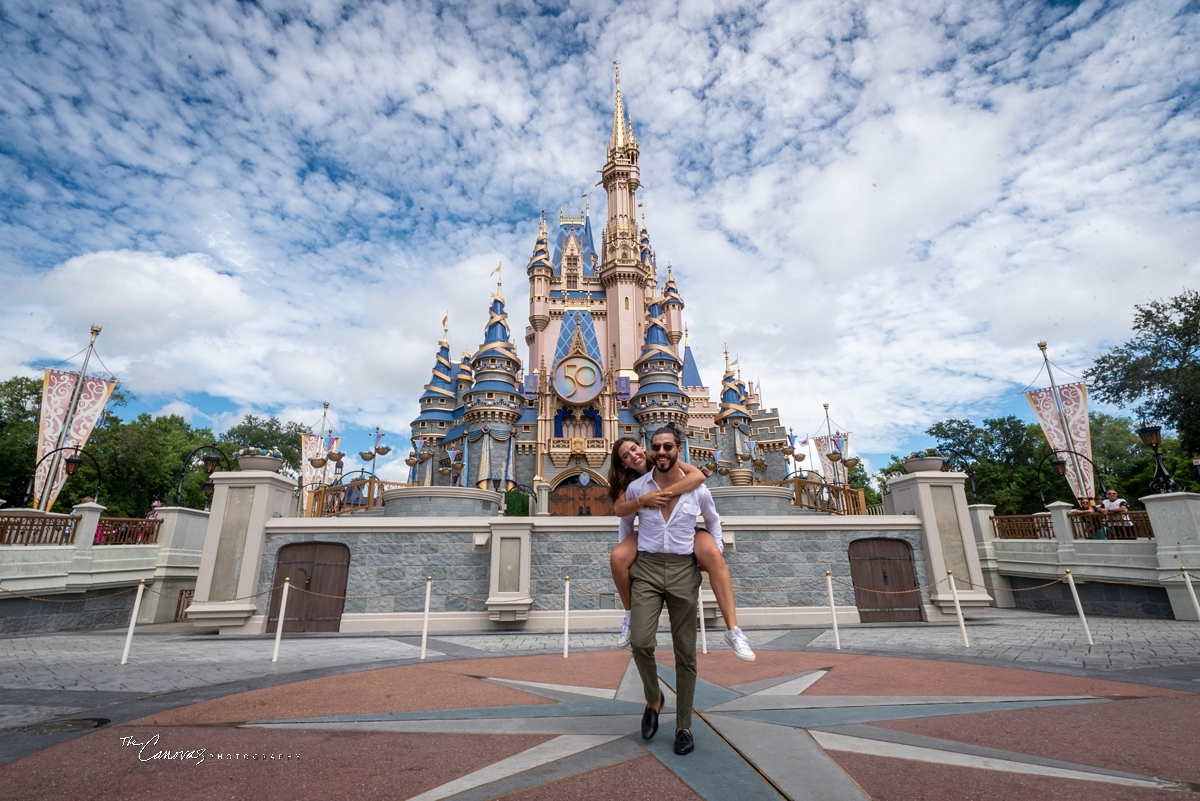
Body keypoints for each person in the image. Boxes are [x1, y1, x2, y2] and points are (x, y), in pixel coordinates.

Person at [623, 424, 725, 755]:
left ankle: (684, 726)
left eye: (668, 446)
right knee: (639, 641)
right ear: (650, 450)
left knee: (685, 653)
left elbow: (713, 520)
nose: (662, 452)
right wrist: (629, 556)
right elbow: (625, 526)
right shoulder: (638, 488)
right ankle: (654, 697)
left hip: (683, 570)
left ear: (678, 448)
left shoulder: (697, 488)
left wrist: (714, 553)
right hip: (649, 569)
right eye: (657, 447)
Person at [606, 435, 754, 661]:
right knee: (618, 557)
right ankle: (630, 615)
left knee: (714, 555)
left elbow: (697, 476)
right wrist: (643, 501)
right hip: (649, 533)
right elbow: (621, 513)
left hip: (683, 530)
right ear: (622, 463)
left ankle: (734, 630)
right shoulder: (631, 485)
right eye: (626, 455)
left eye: (635, 449)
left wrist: (667, 492)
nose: (633, 456)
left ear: (644, 447)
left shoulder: (664, 459)